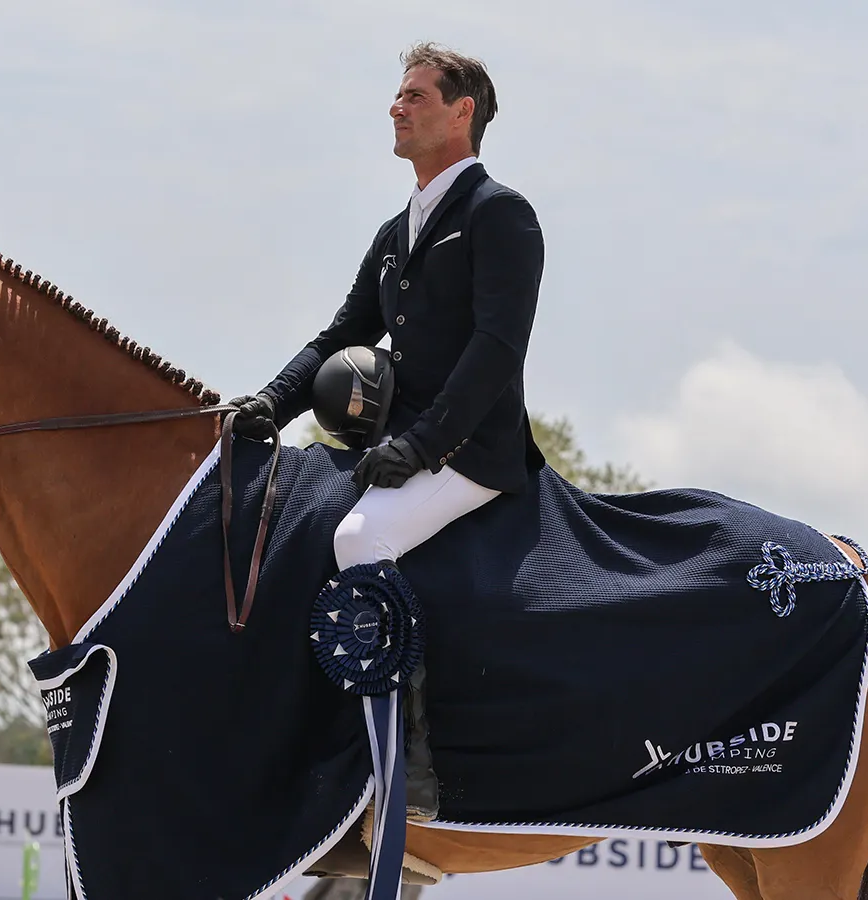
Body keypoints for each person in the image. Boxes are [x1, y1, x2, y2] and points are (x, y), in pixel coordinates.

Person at [229, 42, 546, 823]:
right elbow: (342, 331)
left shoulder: (499, 214)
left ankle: (407, 760)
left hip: (471, 451)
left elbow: (498, 350)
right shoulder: (396, 229)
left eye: (414, 96)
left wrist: (427, 443)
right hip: (400, 441)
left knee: (361, 538)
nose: (396, 108)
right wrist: (271, 400)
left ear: (461, 111)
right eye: (397, 96)